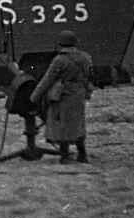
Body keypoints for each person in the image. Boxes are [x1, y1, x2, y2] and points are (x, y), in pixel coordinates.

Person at [30, 30, 93, 164]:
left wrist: (34, 97)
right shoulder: (86, 57)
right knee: (78, 124)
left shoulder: (60, 60)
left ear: (60, 44)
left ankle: (64, 155)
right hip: (79, 94)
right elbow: (89, 77)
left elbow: (47, 80)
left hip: (63, 95)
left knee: (62, 125)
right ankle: (82, 154)